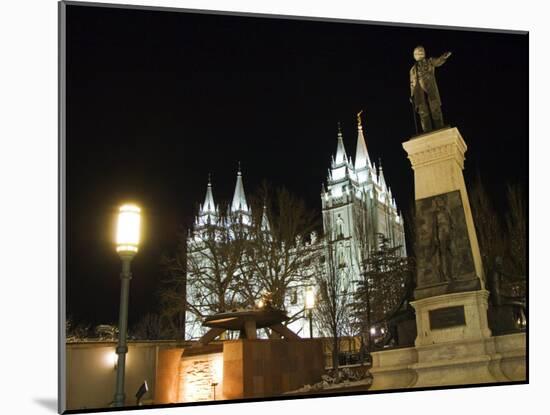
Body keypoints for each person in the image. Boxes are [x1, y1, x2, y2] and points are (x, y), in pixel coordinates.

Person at [409, 46, 452, 133]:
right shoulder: (412, 70)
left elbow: (437, 62)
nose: (420, 53)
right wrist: (412, 95)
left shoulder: (429, 61)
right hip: (419, 93)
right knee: (423, 112)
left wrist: (443, 57)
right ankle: (427, 131)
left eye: (421, 51)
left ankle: (439, 128)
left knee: (435, 108)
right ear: (415, 55)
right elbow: (412, 84)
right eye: (418, 52)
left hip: (430, 89)